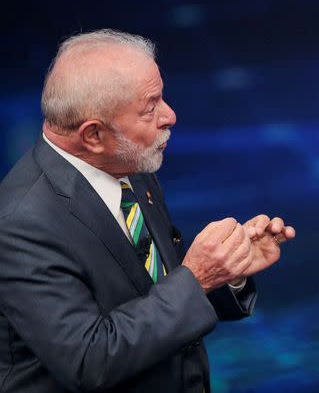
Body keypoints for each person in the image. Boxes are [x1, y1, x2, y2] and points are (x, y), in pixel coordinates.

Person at [0, 30, 296, 392]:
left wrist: (226, 270)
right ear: (93, 135)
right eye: (150, 107)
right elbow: (89, 361)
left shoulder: (130, 168)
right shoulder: (19, 224)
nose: (170, 115)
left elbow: (155, 294)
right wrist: (197, 277)